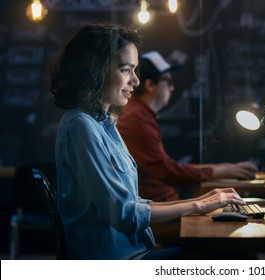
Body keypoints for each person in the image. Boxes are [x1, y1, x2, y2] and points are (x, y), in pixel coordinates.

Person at [50, 23, 245, 260]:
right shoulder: (81, 126)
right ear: (96, 71)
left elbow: (132, 203)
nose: (136, 81)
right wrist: (198, 206)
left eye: (135, 70)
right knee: (231, 253)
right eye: (126, 70)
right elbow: (125, 215)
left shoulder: (104, 123)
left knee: (229, 249)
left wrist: (202, 200)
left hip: (135, 253)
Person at [117, 50, 259, 202]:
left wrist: (224, 168)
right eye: (168, 81)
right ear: (150, 85)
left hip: (158, 203)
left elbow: (166, 167)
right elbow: (168, 172)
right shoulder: (137, 118)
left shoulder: (140, 113)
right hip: (156, 208)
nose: (172, 88)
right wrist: (224, 170)